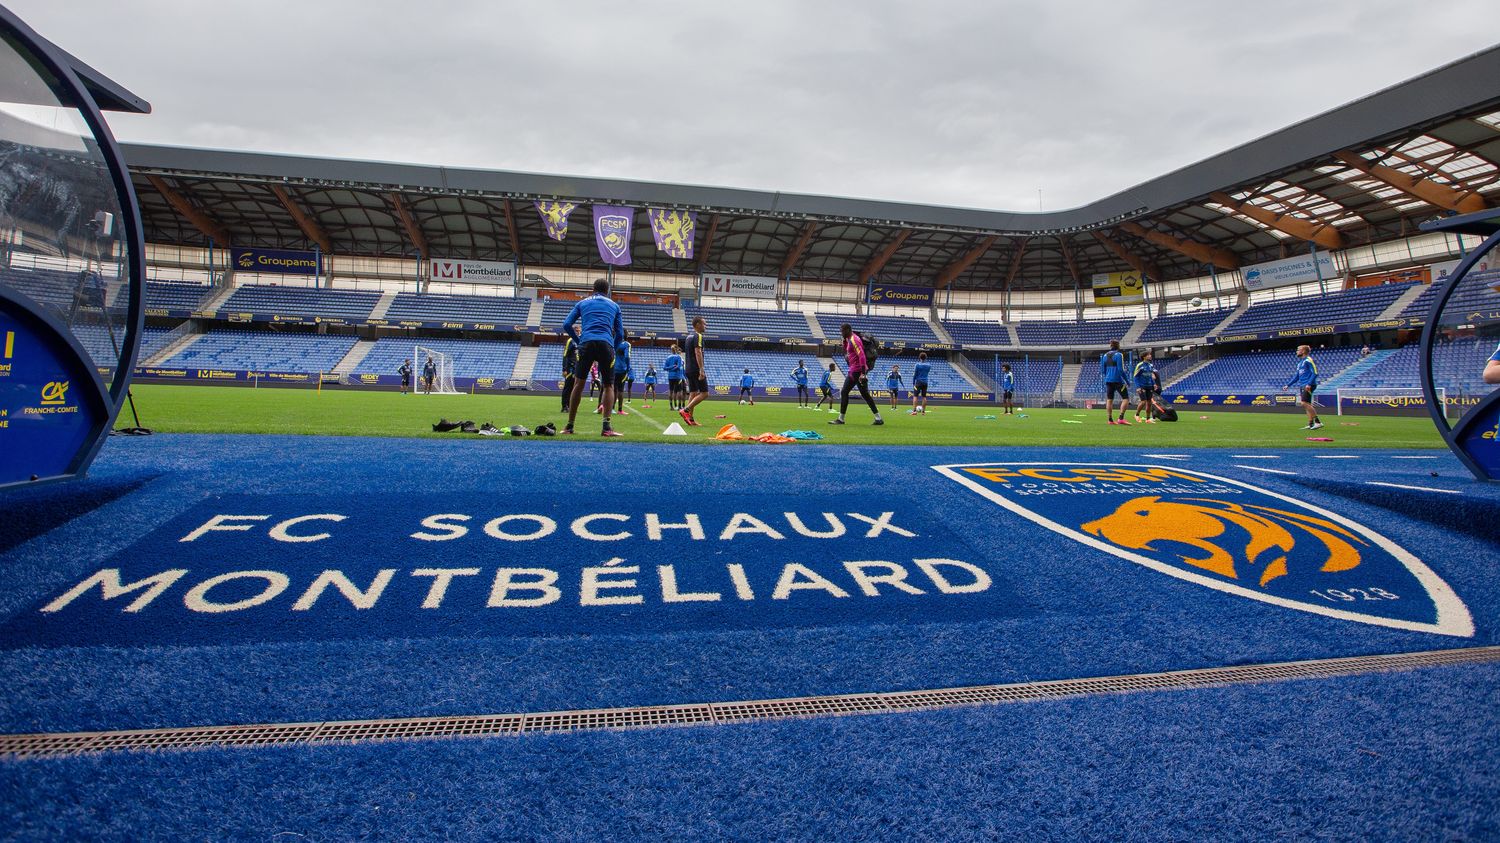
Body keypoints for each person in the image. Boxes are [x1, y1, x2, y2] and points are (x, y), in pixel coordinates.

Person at [561, 278, 625, 437]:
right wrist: (613, 347)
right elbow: (620, 334)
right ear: (607, 291)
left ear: (593, 289)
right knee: (609, 385)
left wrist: (578, 341)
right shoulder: (614, 305)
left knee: (578, 384)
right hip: (606, 344)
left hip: (586, 343)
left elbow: (567, 324)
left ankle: (569, 426)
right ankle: (606, 427)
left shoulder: (582, 303)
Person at [831, 323, 882, 426]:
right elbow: (849, 353)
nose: (841, 333)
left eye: (842, 331)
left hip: (857, 370)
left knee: (844, 392)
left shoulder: (854, 339)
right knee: (865, 394)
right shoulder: (849, 340)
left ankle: (841, 419)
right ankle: (878, 418)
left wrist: (862, 373)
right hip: (855, 369)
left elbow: (861, 355)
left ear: (847, 330)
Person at [680, 316, 709, 427]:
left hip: (688, 368)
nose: (706, 326)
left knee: (693, 393)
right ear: (698, 324)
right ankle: (685, 410)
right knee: (704, 393)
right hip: (696, 368)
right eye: (704, 324)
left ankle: (690, 419)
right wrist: (701, 369)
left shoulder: (688, 337)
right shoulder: (698, 336)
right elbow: (698, 352)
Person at [1284, 344, 1322, 430]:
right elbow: (1297, 376)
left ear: (1303, 351)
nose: (1296, 351)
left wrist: (1309, 384)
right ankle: (1311, 424)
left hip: (1308, 385)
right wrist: (1288, 385)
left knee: (1304, 403)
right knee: (1306, 404)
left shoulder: (1308, 360)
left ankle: (1318, 422)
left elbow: (1315, 373)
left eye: (1298, 350)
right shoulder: (1300, 363)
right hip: (1302, 385)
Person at [1100, 340, 1129, 425]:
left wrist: (1108, 376)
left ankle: (1110, 420)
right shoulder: (1119, 355)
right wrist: (1127, 381)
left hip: (1108, 380)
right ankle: (1121, 418)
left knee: (1109, 400)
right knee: (1126, 399)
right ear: (1118, 346)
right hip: (1118, 380)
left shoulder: (1105, 355)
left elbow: (1103, 370)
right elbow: (1120, 370)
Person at [1132, 351, 1158, 424]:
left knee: (1149, 403)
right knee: (1143, 401)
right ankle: (1137, 415)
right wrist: (1138, 387)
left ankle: (1148, 419)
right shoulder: (1140, 365)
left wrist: (1154, 384)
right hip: (1142, 386)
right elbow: (1135, 377)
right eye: (1148, 355)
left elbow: (1150, 376)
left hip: (1149, 386)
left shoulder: (1150, 365)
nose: (1150, 356)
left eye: (1150, 355)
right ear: (1144, 357)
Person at [613, 339, 632, 416]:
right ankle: (620, 410)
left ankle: (611, 408)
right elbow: (627, 356)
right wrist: (628, 367)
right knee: (620, 390)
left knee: (613, 389)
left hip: (614, 368)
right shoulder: (627, 344)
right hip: (622, 369)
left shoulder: (615, 342)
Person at [560, 337, 579, 412]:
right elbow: (565, 355)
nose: (578, 332)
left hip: (577, 368)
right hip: (570, 369)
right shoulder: (570, 340)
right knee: (568, 387)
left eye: (579, 331)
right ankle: (564, 406)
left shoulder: (582, 340)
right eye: (576, 331)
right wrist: (564, 369)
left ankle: (570, 406)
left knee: (574, 388)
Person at [664, 344, 685, 410]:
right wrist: (673, 367)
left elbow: (665, 368)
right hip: (678, 376)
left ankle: (671, 406)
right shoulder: (678, 357)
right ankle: (679, 407)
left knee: (671, 391)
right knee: (679, 391)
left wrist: (670, 368)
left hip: (670, 376)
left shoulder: (668, 357)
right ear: (676, 349)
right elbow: (678, 367)